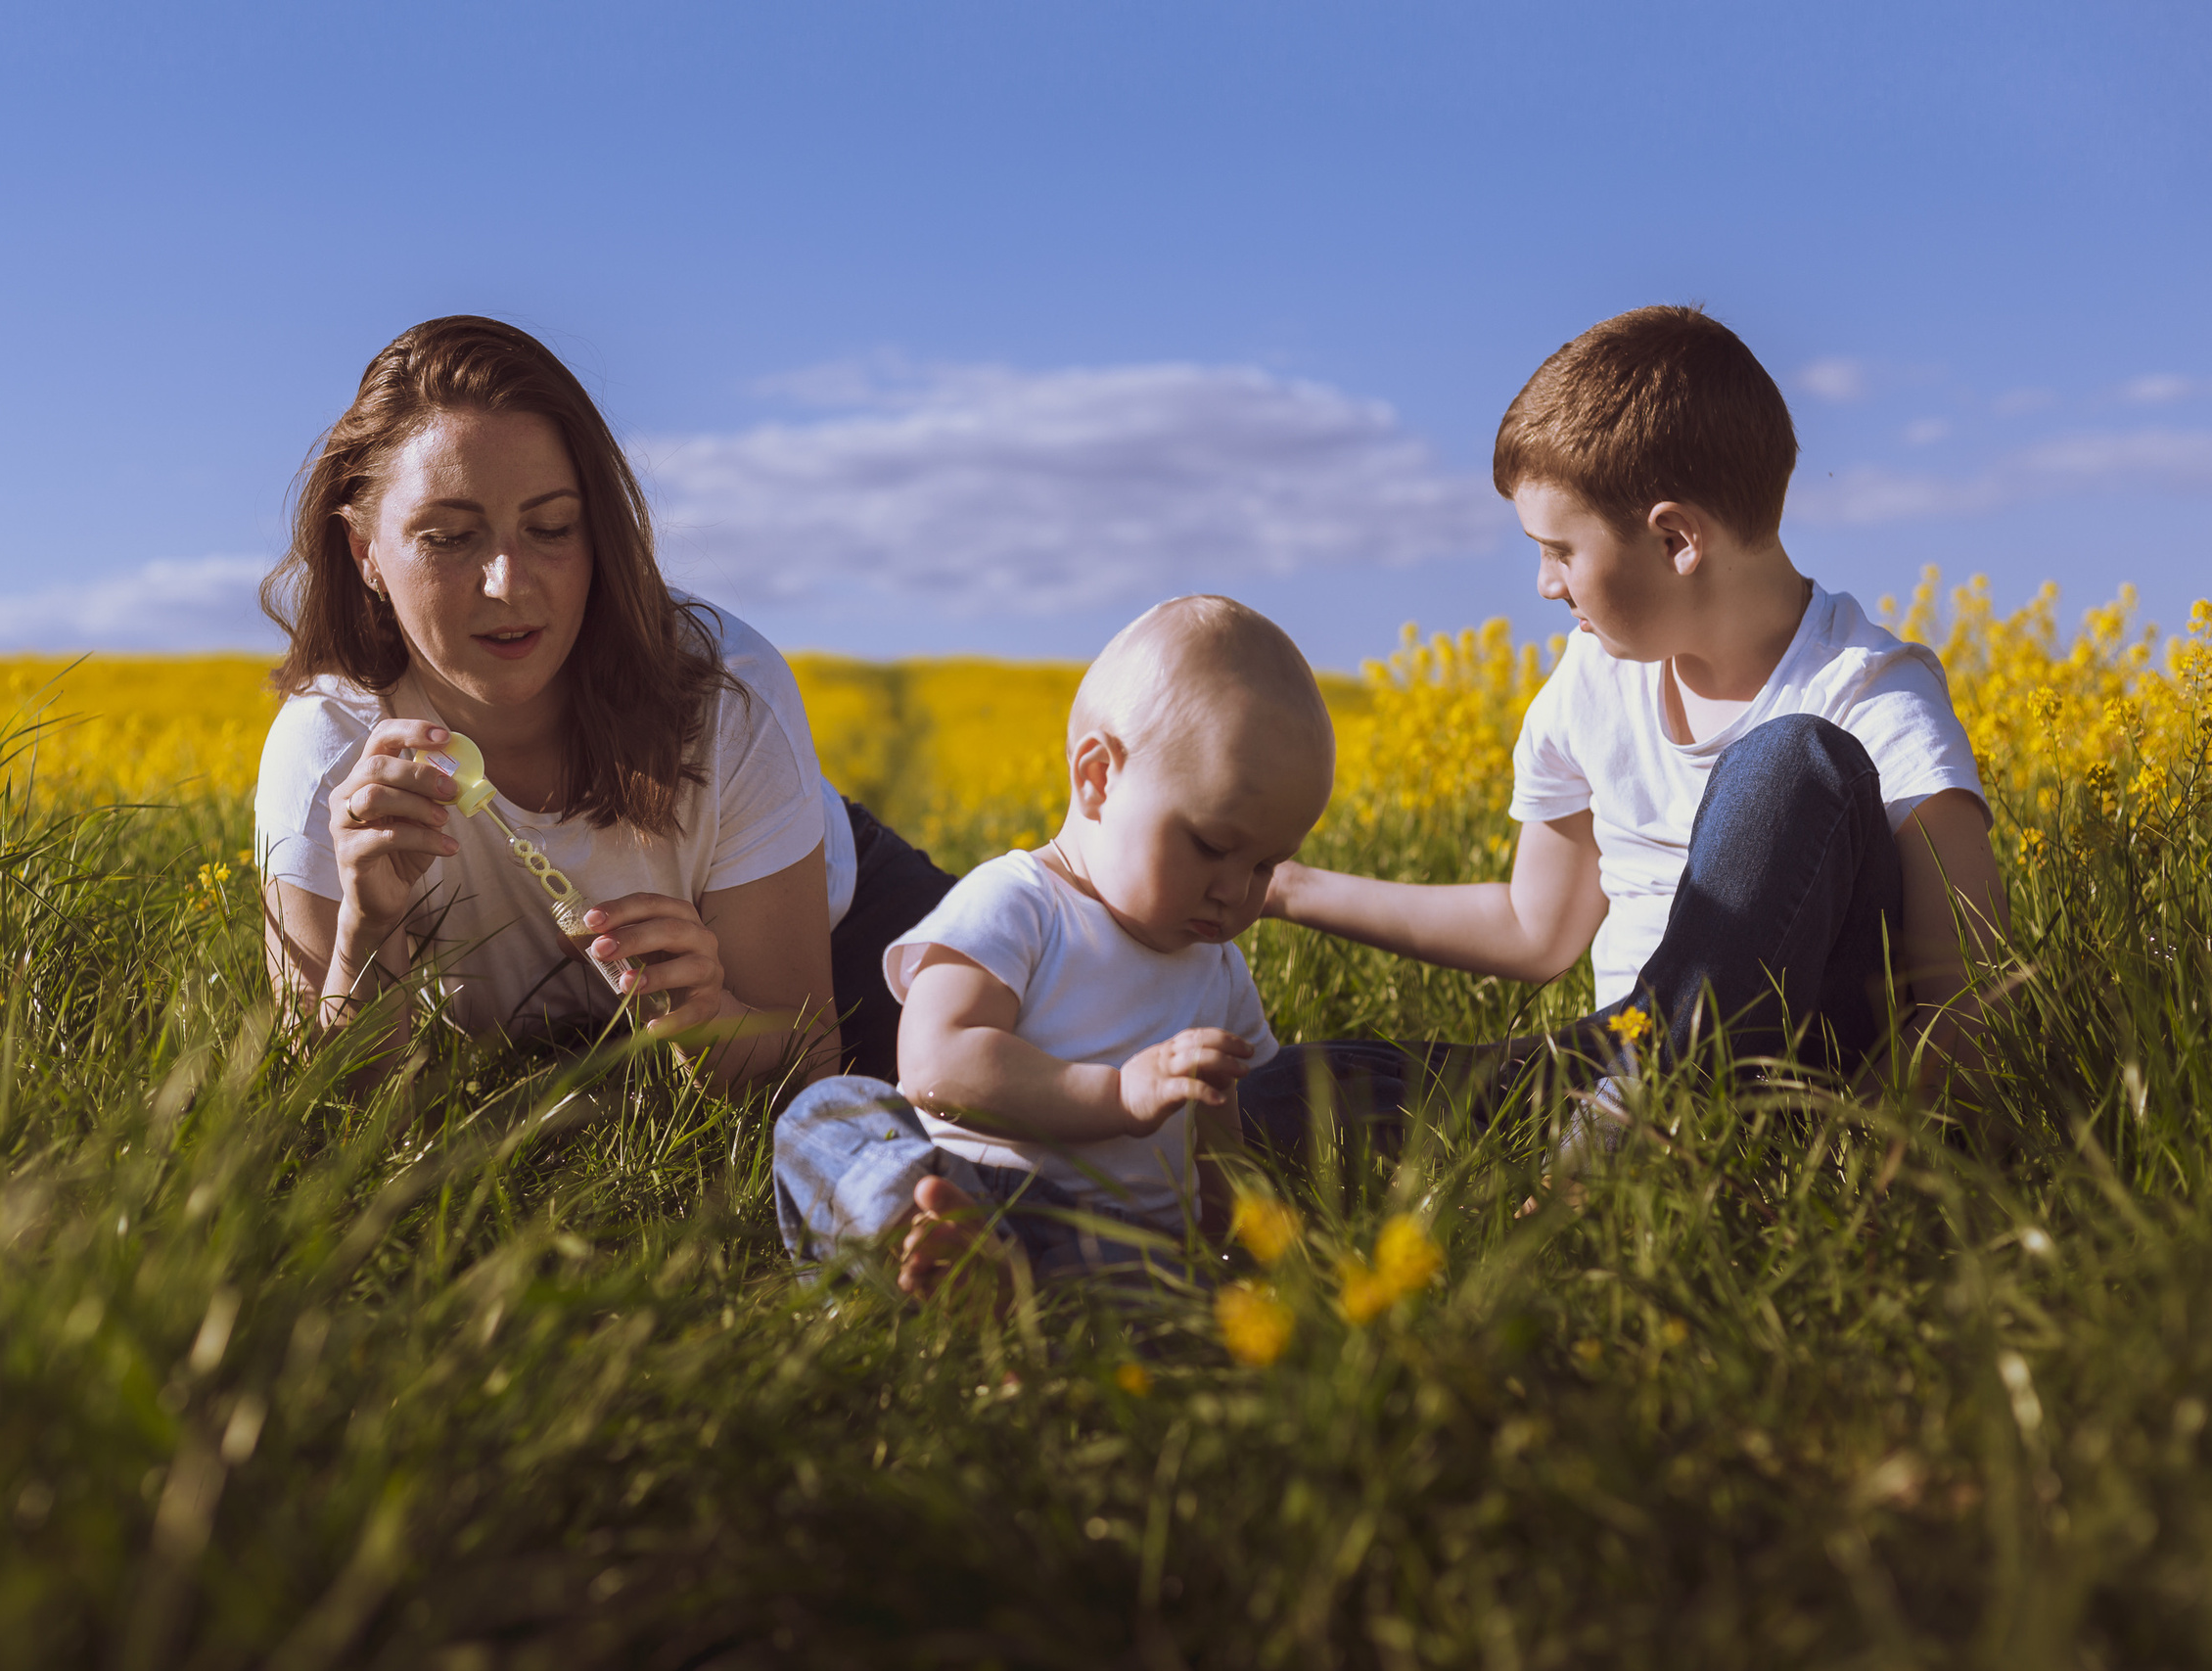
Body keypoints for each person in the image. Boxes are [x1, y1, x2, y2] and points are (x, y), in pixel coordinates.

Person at [1245, 305, 2008, 1150]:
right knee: (1289, 1091)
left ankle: (1618, 1149)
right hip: (1621, 1054)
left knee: (1792, 762)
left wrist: (1871, 1162)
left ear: (1677, 538)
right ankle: (1609, 1134)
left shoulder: (1870, 695)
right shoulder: (1592, 681)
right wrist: (1287, 888)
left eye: (1560, 550)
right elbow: (1537, 929)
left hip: (1800, 1087)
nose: (1544, 583)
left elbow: (1969, 995)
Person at [253, 315, 953, 1086]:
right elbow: (333, 1120)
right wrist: (363, 931)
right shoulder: (328, 751)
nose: (508, 583)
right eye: (450, 538)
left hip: (846, 933)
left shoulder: (729, 692)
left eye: (551, 528)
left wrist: (708, 1015)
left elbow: (807, 1061)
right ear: (366, 554)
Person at [771, 597, 1334, 1292]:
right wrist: (1116, 1095)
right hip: (986, 1201)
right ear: (1098, 779)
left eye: (1265, 867)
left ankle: (999, 1290)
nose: (1237, 892)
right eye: (1214, 846)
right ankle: (920, 1240)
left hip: (1129, 1252)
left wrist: (1236, 1231)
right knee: (827, 1115)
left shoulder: (1218, 970)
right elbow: (933, 1060)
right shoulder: (1022, 901)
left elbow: (1229, 1147)